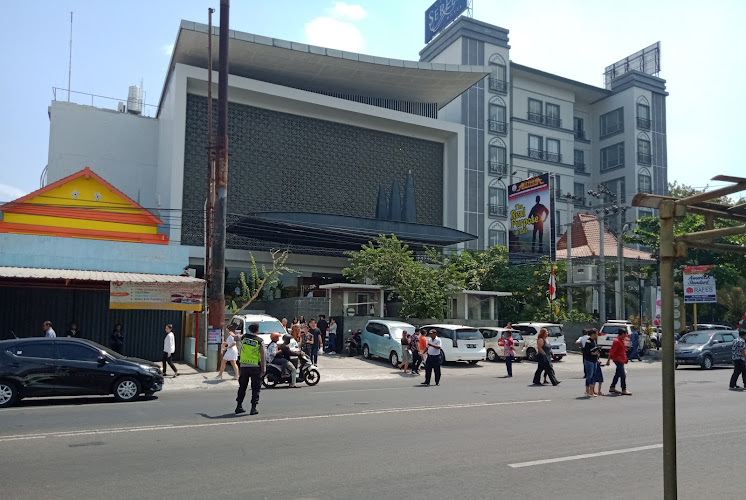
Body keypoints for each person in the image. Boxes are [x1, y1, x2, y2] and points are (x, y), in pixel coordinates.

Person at [235, 323, 267, 415]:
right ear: (257, 330)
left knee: (242, 387)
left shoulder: (244, 337)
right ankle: (253, 408)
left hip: (244, 367)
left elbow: (234, 338)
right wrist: (263, 368)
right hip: (255, 367)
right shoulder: (260, 341)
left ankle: (239, 406)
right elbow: (263, 355)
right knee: (255, 388)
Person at [607, 328, 632, 395]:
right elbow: (611, 352)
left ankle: (612, 387)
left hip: (621, 359)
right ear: (623, 334)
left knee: (618, 374)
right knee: (623, 375)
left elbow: (623, 351)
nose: (626, 335)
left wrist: (625, 358)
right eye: (625, 333)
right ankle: (624, 389)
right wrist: (608, 360)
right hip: (618, 359)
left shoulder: (622, 340)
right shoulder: (617, 341)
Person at [582, 329, 600, 397]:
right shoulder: (588, 341)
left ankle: (592, 391)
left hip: (594, 360)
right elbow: (586, 352)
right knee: (589, 376)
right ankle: (587, 390)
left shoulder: (594, 341)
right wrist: (593, 353)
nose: (597, 335)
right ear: (592, 334)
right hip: (589, 360)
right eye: (596, 334)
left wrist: (597, 357)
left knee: (593, 375)